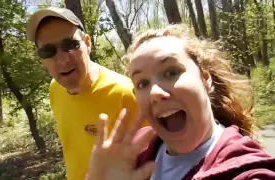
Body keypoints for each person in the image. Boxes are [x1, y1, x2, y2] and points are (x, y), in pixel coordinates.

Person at [86, 24, 275, 180]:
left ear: (205, 79)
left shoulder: (248, 171)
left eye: (171, 72)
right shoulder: (133, 153)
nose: (155, 93)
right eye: (143, 83)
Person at [26, 7, 142, 180]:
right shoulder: (55, 89)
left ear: (87, 43)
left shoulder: (125, 93)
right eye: (48, 51)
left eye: (70, 45)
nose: (62, 59)